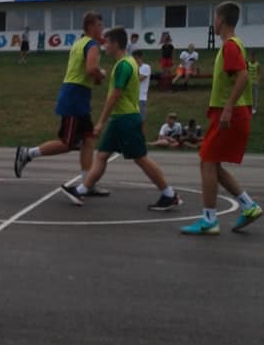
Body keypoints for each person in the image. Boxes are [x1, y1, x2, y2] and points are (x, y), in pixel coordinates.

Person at [60, 27, 182, 210]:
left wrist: (100, 122)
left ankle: (169, 194)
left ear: (116, 44)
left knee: (140, 158)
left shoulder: (123, 65)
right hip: (120, 118)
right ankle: (81, 190)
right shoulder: (129, 62)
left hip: (126, 119)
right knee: (102, 155)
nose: (104, 47)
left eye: (107, 43)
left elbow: (114, 95)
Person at [180, 1, 263, 236]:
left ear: (222, 20)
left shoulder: (229, 46)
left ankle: (209, 220)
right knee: (212, 163)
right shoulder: (233, 45)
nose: (213, 23)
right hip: (230, 112)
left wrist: (227, 108)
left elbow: (243, 76)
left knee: (206, 162)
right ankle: (248, 206)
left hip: (230, 113)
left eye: (215, 18)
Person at [14, 11, 105, 185]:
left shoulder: (79, 43)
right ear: (91, 26)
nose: (102, 28)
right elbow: (90, 70)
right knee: (68, 143)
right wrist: (101, 74)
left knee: (88, 139)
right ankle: (28, 153)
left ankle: (86, 184)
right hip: (75, 96)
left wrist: (96, 77)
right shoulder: (92, 44)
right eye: (99, 25)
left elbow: (84, 70)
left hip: (78, 94)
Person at [133, 49, 151, 119]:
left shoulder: (146, 67)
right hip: (133, 97)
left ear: (140, 57)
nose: (135, 60)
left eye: (136, 58)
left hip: (141, 97)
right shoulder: (133, 68)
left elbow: (139, 79)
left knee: (140, 118)